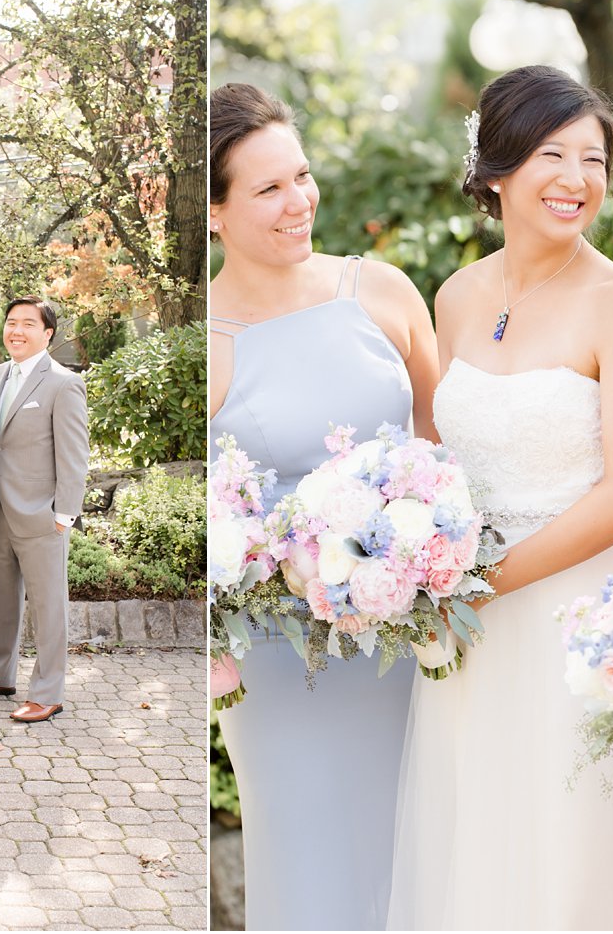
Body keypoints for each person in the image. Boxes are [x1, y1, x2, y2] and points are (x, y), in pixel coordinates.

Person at [388, 65, 613, 930]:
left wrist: (486, 581)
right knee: (476, 838)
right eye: (555, 153)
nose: (579, 178)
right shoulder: (458, 295)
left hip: (577, 620)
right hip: (464, 623)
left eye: (595, 159)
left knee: (572, 849)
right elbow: (439, 451)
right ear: (499, 168)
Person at [208, 82, 441, 931]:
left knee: (421, 853)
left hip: (409, 640)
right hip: (282, 662)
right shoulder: (206, 342)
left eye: (301, 176)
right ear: (214, 212)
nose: (298, 201)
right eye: (267, 188)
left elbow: (448, 444)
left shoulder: (380, 291)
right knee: (306, 858)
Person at [0, 298, 88, 724]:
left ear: (47, 333)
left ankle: (48, 692)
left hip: (41, 513)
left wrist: (64, 514)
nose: (16, 331)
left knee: (49, 605)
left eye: (27, 324)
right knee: (2, 599)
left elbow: (74, 456)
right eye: (11, 323)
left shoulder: (63, 383)